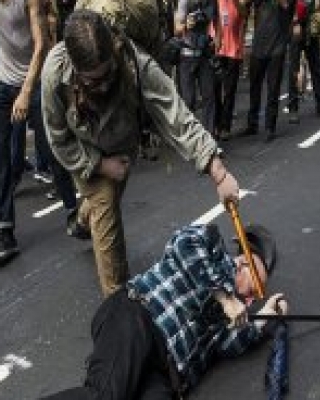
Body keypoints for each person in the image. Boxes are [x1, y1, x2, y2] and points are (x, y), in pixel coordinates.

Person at [42, 10, 241, 296]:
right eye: (93, 81)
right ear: (74, 68)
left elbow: (174, 113)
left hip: (123, 145)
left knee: (104, 201)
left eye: (108, 74)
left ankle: (83, 220)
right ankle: (119, 305)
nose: (104, 85)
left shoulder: (134, 61)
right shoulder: (54, 74)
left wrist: (218, 172)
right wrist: (100, 165)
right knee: (105, 205)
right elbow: (59, 141)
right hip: (86, 154)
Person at [41, 223, 287, 399]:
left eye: (256, 296)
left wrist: (267, 315)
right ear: (243, 264)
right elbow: (185, 243)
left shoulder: (233, 313)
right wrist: (224, 296)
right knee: (106, 395)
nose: (251, 299)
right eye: (254, 288)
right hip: (138, 317)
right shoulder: (213, 248)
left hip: (164, 370)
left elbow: (230, 344)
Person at [0, 0, 78, 265]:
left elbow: (41, 43)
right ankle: (6, 232)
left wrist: (26, 91)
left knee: (51, 148)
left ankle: (74, 213)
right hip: (1, 84)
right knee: (1, 159)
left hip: (34, 81)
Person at [241, 0, 295, 142]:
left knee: (273, 88)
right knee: (254, 86)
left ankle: (270, 126)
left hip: (277, 46)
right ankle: (252, 123)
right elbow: (244, 6)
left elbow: (286, 5)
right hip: (259, 44)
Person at [175, 0, 219, 137]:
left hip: (204, 56)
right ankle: (191, 137)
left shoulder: (211, 2)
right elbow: (177, 29)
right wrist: (186, 25)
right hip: (186, 57)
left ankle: (209, 136)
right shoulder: (184, 2)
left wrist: (218, 38)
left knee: (209, 96)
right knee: (188, 100)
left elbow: (217, 21)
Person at [286, 0, 320, 125]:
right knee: (294, 70)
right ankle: (293, 108)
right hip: (297, 27)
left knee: (316, 69)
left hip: (311, 28)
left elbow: (318, 7)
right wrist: (295, 21)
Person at [213, 0, 249, 141]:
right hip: (217, 49)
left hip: (234, 51)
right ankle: (217, 123)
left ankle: (225, 127)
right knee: (215, 89)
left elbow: (244, 13)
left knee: (229, 90)